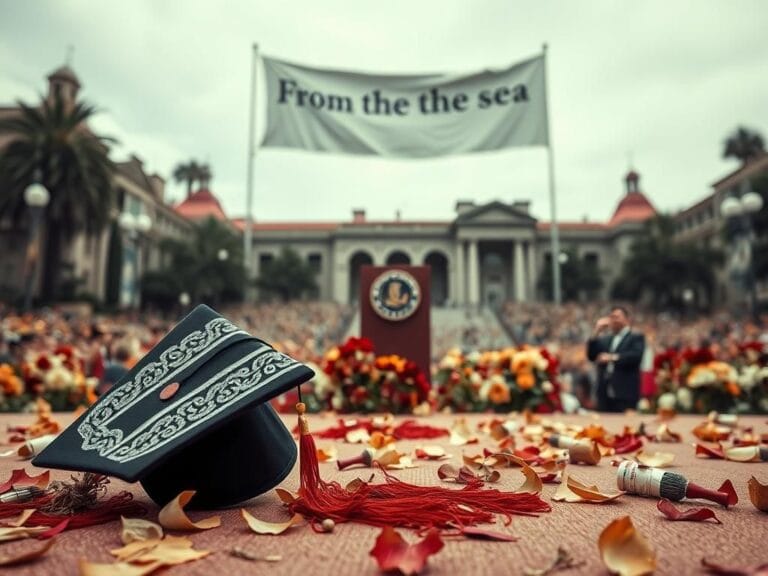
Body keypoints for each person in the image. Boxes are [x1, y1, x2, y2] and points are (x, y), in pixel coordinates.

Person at [586, 306, 645, 412]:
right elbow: (591, 355)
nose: (613, 320)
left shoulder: (635, 337)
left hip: (625, 392)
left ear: (626, 319)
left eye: (617, 317)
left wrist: (612, 358)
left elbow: (636, 356)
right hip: (604, 391)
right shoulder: (606, 339)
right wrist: (596, 331)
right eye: (611, 317)